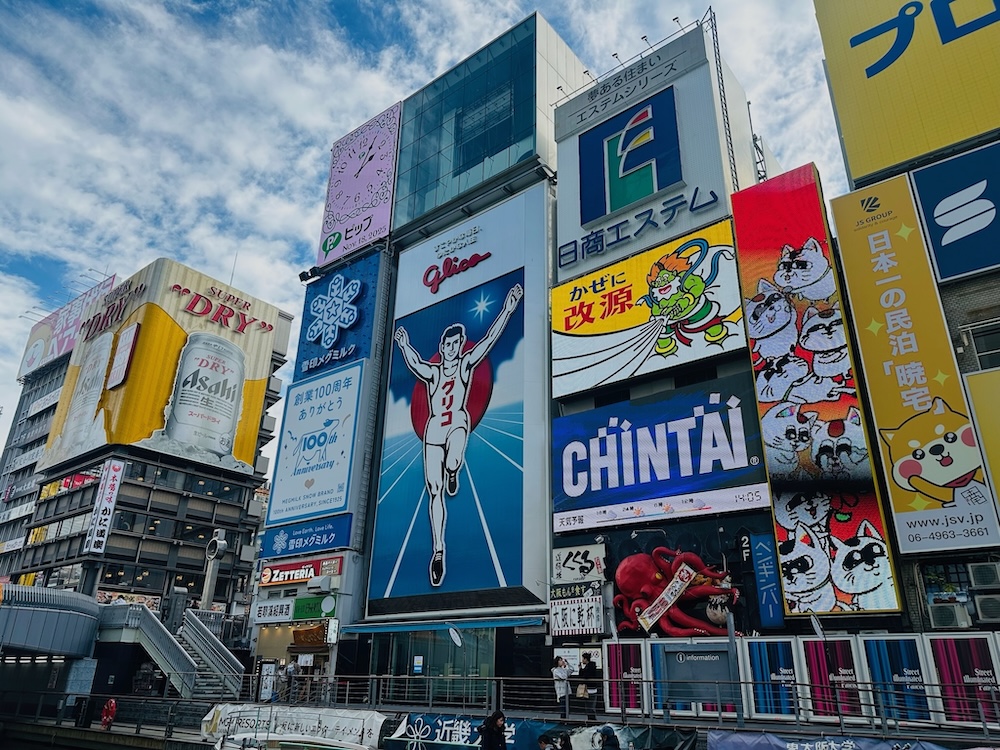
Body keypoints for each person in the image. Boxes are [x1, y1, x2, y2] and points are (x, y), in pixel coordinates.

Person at [393, 283, 523, 587]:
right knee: (434, 491)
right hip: (434, 430)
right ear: (442, 347)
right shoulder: (434, 373)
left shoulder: (466, 365)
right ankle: (439, 550)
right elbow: (414, 363)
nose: (453, 348)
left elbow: (491, 339)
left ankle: (455, 470)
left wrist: (509, 307)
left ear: (461, 345)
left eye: (457, 343)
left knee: (453, 458)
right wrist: (403, 344)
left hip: (458, 423)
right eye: (448, 344)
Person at [579, 651, 598, 720]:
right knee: (589, 707)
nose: (582, 660)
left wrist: (581, 670)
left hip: (591, 689)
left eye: (583, 659)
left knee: (590, 707)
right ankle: (591, 720)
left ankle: (592, 720)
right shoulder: (589, 666)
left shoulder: (590, 666)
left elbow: (585, 676)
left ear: (586, 659)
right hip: (589, 689)